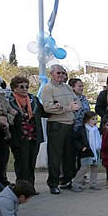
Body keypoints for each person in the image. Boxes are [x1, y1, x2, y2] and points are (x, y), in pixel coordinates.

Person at [41, 65, 80, 194]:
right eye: (59, 73)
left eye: (64, 73)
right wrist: (67, 108)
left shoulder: (67, 87)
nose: (62, 75)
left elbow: (77, 101)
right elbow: (48, 107)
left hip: (70, 124)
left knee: (69, 155)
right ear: (51, 73)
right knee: (55, 156)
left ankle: (67, 180)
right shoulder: (48, 88)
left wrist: (66, 106)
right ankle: (53, 183)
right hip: (57, 125)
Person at [8, 76, 44, 189]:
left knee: (31, 163)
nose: (25, 89)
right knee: (21, 163)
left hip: (33, 135)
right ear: (14, 88)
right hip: (19, 136)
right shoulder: (9, 100)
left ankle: (30, 187)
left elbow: (43, 112)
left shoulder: (34, 99)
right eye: (21, 86)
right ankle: (21, 188)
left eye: (27, 86)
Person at [71, 111, 101, 192]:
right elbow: (76, 140)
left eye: (96, 119)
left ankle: (93, 183)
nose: (95, 121)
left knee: (95, 167)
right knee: (83, 168)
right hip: (86, 151)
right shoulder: (82, 129)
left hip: (96, 151)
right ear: (87, 120)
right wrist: (82, 147)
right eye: (93, 119)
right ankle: (76, 184)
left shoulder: (96, 130)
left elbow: (98, 140)